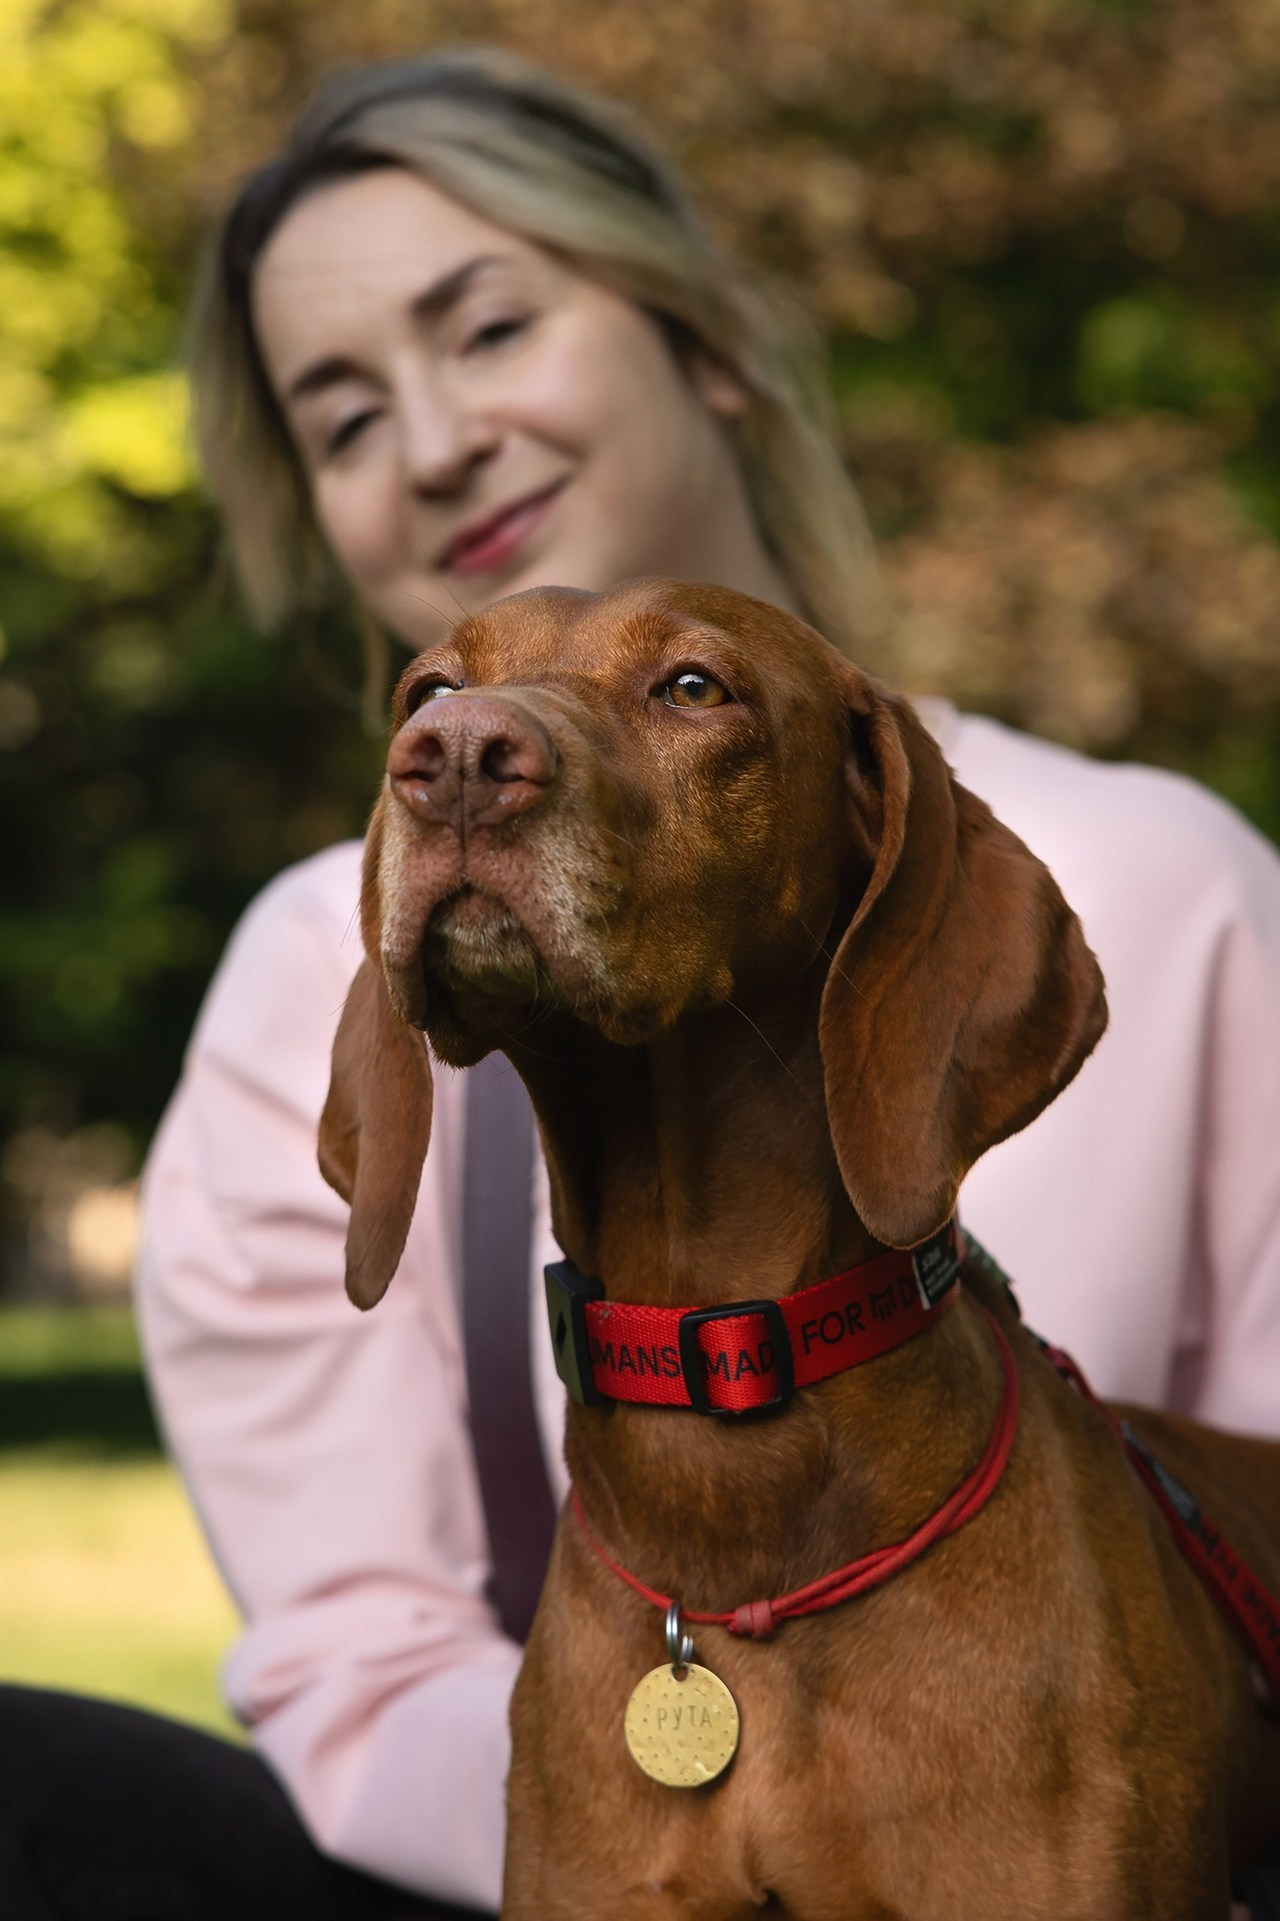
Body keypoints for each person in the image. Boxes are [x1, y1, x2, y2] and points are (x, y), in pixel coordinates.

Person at [3, 46, 1278, 1921]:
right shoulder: (308, 968)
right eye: (343, 417)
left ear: (712, 345)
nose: (434, 440)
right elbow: (357, 1663)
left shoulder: (1170, 888)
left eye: (490, 323)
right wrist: (708, 1827)